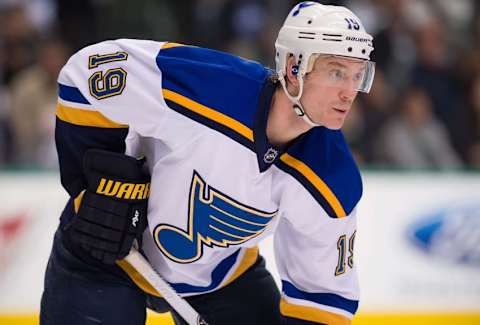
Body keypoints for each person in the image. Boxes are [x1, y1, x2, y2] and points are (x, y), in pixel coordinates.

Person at [40, 2, 375, 324]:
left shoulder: (332, 178)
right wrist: (97, 188)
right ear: (293, 68)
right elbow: (90, 72)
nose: (350, 92)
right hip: (103, 252)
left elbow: (322, 298)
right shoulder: (209, 88)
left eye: (358, 75)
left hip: (220, 276)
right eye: (336, 73)